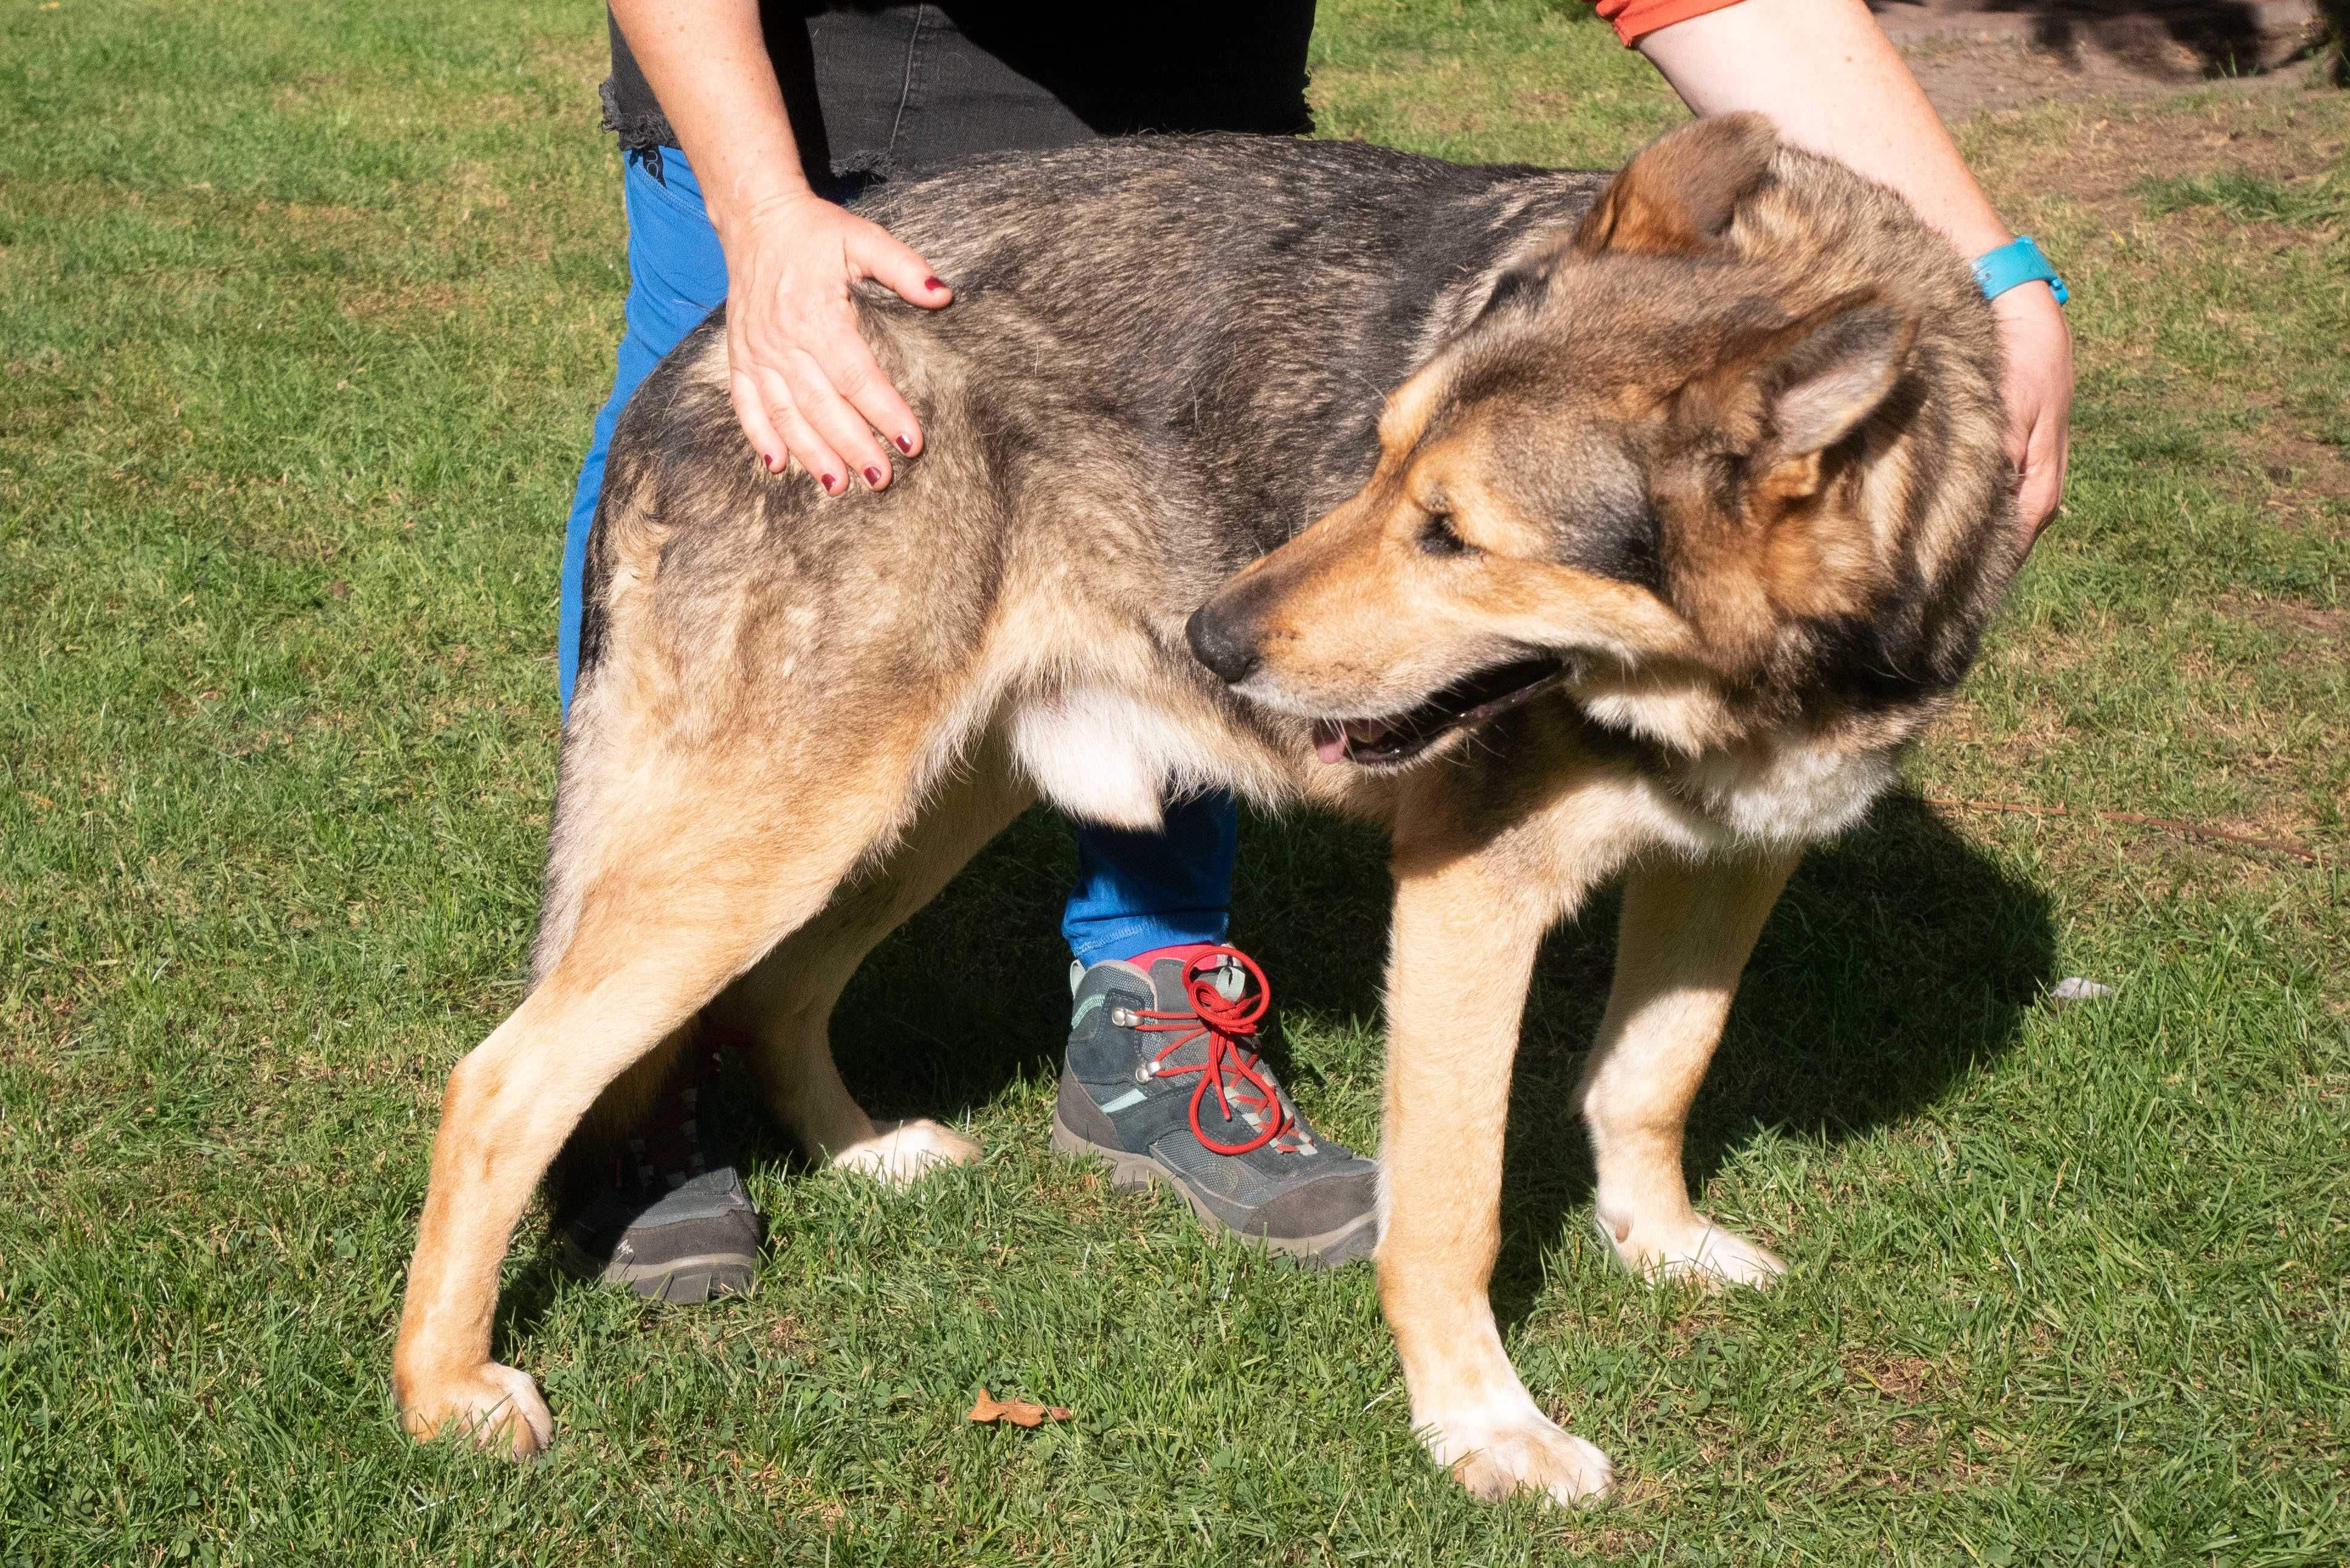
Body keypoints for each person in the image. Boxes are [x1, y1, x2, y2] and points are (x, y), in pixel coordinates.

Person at [555, 0, 2075, 1296]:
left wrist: (1997, 273)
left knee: (1130, 659)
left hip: (1200, 93)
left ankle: (1137, 1012)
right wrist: (760, 216)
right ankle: (619, 1096)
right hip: (829, 93)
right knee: (740, 776)